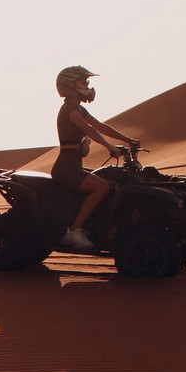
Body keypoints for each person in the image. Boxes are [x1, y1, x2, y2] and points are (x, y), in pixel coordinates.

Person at [51, 66, 139, 252]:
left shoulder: (79, 109)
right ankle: (73, 232)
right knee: (102, 186)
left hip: (73, 166)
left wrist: (127, 139)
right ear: (69, 85)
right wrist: (109, 147)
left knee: (109, 180)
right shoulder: (70, 110)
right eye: (83, 82)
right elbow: (89, 129)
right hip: (66, 169)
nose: (87, 86)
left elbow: (100, 125)